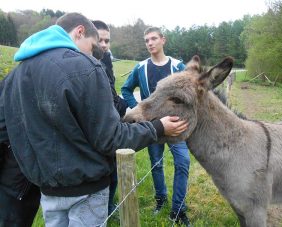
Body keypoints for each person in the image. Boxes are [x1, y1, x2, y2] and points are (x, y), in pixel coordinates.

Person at [0, 13, 188, 227]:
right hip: (86, 189)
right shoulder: (85, 67)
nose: (94, 54)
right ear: (80, 32)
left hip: (48, 191)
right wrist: (158, 128)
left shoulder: (16, 74)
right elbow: (111, 139)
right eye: (92, 46)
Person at [121, 27, 191, 226]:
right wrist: (137, 109)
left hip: (176, 125)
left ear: (163, 40)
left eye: (153, 39)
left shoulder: (178, 66)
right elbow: (126, 89)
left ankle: (179, 210)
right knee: (156, 164)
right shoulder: (140, 67)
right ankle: (161, 201)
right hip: (151, 127)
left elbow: (190, 92)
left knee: (183, 162)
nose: (150, 43)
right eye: (146, 40)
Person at [92, 20, 128, 216]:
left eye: (107, 40)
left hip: (110, 129)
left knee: (113, 175)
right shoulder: (85, 64)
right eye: (100, 40)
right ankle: (102, 211)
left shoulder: (106, 60)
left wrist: (119, 103)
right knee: (104, 176)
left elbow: (111, 93)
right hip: (97, 134)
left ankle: (108, 207)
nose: (104, 45)